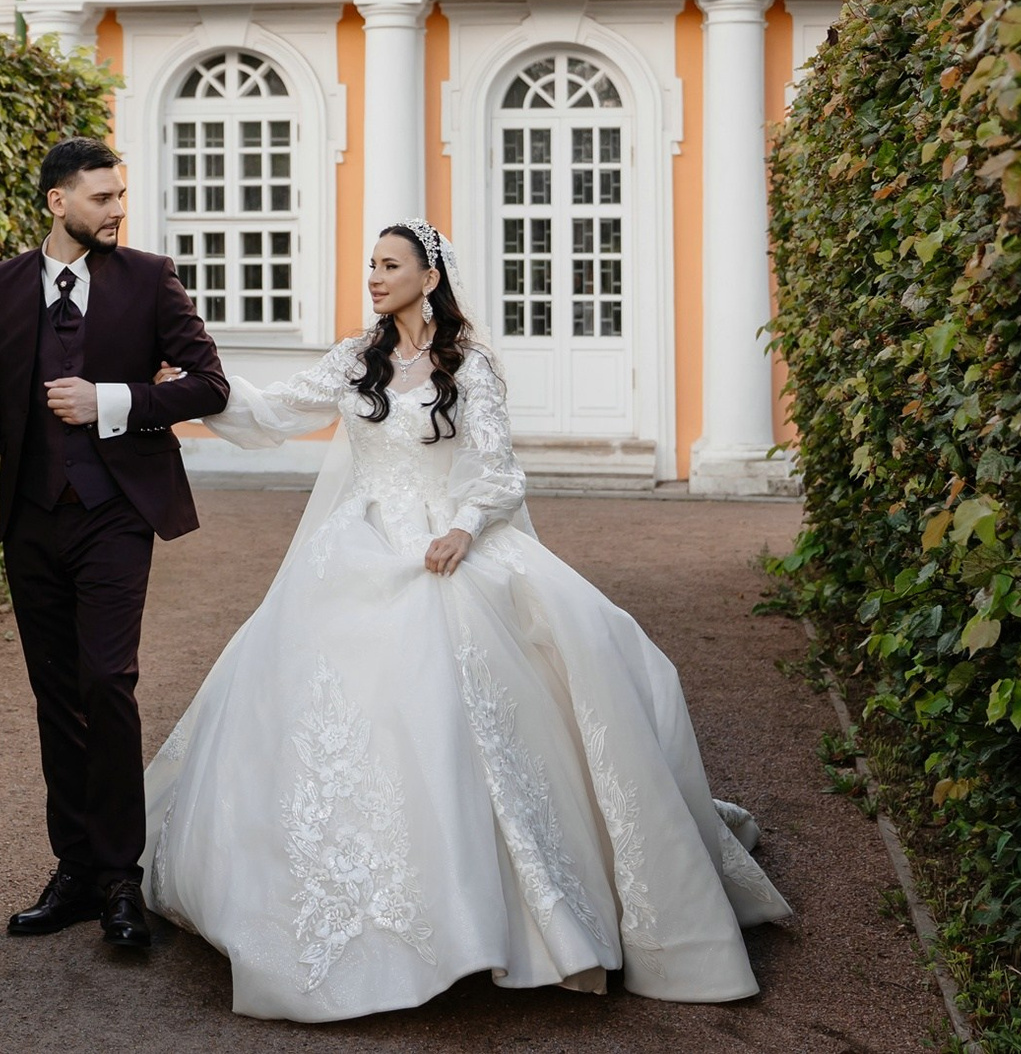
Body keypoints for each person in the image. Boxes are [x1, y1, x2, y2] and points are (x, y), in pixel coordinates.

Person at [139, 220, 791, 1021]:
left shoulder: (469, 364)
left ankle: (515, 908)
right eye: (370, 265)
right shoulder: (356, 356)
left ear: (429, 276)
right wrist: (199, 388)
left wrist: (466, 526)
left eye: (389, 266)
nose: (374, 277)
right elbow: (275, 410)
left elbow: (499, 468)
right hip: (356, 547)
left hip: (448, 541)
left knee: (506, 684)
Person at [0, 137, 229, 952]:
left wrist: (110, 398)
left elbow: (206, 382)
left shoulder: (148, 278)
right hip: (32, 519)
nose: (116, 209)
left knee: (107, 682)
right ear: (56, 202)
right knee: (55, 694)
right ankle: (74, 869)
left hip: (113, 512)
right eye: (101, 198)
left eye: (119, 197)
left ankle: (120, 879)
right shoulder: (0, 286)